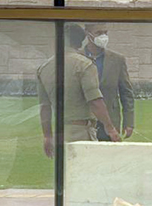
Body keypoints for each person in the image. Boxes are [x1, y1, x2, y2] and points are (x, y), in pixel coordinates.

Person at [37, 23, 121, 158]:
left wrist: (47, 135)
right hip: (81, 131)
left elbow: (44, 107)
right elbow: (95, 101)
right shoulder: (85, 65)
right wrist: (110, 128)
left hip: (60, 131)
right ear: (81, 40)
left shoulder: (44, 68)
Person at [83, 24, 135, 141]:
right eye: (99, 33)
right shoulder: (77, 58)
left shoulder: (117, 60)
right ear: (88, 33)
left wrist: (129, 122)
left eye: (105, 33)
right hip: (84, 121)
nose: (103, 36)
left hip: (111, 121)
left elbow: (126, 92)